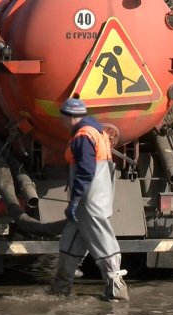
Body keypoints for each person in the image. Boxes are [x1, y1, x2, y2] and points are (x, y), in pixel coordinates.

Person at [47, 97, 129, 301]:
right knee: (71, 239)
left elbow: (85, 171)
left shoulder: (83, 136)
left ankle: (117, 290)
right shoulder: (94, 131)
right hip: (92, 197)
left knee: (102, 241)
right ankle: (60, 289)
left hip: (90, 200)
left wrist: (75, 200)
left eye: (63, 118)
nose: (62, 123)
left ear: (70, 117)